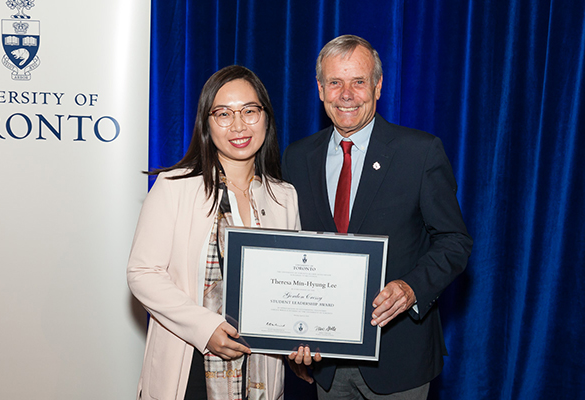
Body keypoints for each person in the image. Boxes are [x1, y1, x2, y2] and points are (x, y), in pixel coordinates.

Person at [282, 35, 473, 399]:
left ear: (378, 86)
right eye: (335, 82)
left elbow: (454, 241)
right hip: (326, 362)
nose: (346, 94)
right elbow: (293, 252)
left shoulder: (420, 152)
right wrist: (292, 333)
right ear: (320, 89)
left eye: (359, 81)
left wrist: (412, 287)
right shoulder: (297, 157)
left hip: (399, 359)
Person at [127, 65, 306, 400]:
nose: (238, 125)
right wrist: (205, 328)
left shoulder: (285, 197)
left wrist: (300, 336)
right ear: (207, 124)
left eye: (250, 111)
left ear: (266, 116)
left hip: (260, 369)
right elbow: (142, 273)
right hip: (189, 364)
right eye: (223, 113)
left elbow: (289, 287)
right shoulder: (175, 187)